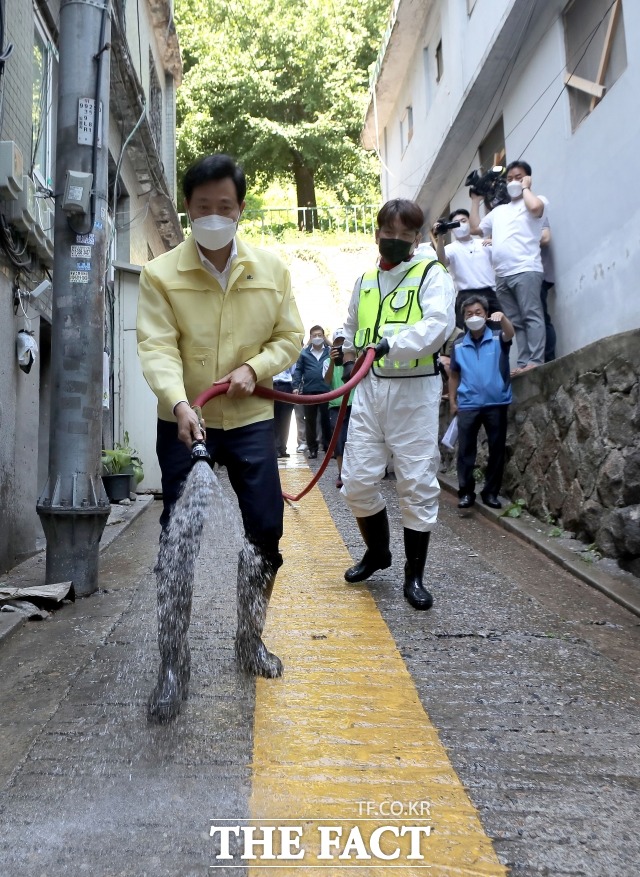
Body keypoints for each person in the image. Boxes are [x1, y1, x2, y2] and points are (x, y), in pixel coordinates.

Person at [137, 153, 303, 721]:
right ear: (189, 208)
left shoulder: (272, 270)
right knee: (177, 543)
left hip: (252, 418)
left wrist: (254, 370)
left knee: (265, 530)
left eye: (223, 207)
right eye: (202, 207)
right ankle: (171, 665)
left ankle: (249, 638)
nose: (213, 216)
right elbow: (156, 348)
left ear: (240, 209)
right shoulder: (162, 275)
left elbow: (290, 337)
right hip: (186, 420)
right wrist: (180, 402)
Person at [339, 198, 456, 611]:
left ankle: (414, 575)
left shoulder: (430, 274)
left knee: (416, 482)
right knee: (356, 480)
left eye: (405, 235)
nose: (395, 241)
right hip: (369, 390)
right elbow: (351, 324)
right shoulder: (366, 280)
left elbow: (437, 324)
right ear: (377, 234)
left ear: (418, 238)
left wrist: (392, 344)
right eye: (389, 234)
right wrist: (343, 345)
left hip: (414, 392)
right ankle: (378, 553)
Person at [469, 160, 548, 373]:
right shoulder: (499, 211)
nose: (513, 181)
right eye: (510, 178)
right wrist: (476, 201)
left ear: (528, 178)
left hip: (526, 268)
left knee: (532, 315)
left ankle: (536, 360)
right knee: (515, 321)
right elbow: (476, 228)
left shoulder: (536, 200)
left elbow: (535, 208)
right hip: (502, 275)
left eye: (519, 177)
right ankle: (523, 363)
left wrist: (525, 188)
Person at [447, 295, 514, 510]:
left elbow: (510, 333)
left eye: (478, 313)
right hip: (468, 404)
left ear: (485, 315)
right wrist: (453, 402)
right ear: (463, 318)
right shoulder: (458, 345)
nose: (474, 317)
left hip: (497, 402)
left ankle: (491, 493)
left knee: (496, 449)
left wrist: (502, 318)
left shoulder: (497, 337)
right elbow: (454, 375)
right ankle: (466, 493)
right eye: (469, 314)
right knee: (466, 451)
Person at [433, 208, 501, 327]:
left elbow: (502, 256)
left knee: (497, 331)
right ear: (451, 229)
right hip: (465, 295)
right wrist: (440, 236)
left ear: (470, 223)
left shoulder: (483, 243)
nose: (461, 225)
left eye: (463, 221)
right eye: (456, 223)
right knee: (468, 335)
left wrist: (496, 241)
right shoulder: (450, 249)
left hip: (489, 292)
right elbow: (440, 262)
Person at [292, 325, 332, 459]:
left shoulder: (329, 352)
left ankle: (328, 448)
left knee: (326, 420)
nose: (317, 338)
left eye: (320, 335)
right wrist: (296, 386)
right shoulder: (304, 353)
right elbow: (298, 370)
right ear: (310, 337)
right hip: (309, 391)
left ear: (324, 336)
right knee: (310, 421)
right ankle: (312, 449)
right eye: (314, 335)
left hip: (326, 391)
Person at [323, 328, 354, 488]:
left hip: (354, 404)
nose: (341, 346)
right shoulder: (328, 362)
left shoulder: (353, 359)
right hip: (336, 406)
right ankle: (341, 474)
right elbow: (327, 382)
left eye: (344, 343)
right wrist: (333, 363)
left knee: (354, 440)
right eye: (338, 344)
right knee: (339, 441)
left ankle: (354, 473)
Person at [273, 363, 296, 457]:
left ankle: (283, 448)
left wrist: (295, 387)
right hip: (272, 386)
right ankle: (276, 448)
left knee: (286, 419)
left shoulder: (289, 353)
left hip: (287, 386)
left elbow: (294, 372)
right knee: (274, 419)